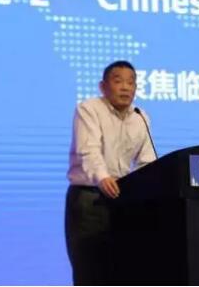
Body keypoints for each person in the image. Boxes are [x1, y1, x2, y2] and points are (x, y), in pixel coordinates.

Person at [64, 60, 157, 285]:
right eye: (118, 81)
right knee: (89, 271)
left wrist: (152, 184)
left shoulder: (140, 117)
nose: (125, 87)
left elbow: (147, 161)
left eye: (131, 83)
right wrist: (103, 177)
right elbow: (88, 150)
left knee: (121, 271)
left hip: (123, 201)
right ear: (103, 86)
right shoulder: (89, 109)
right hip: (89, 199)